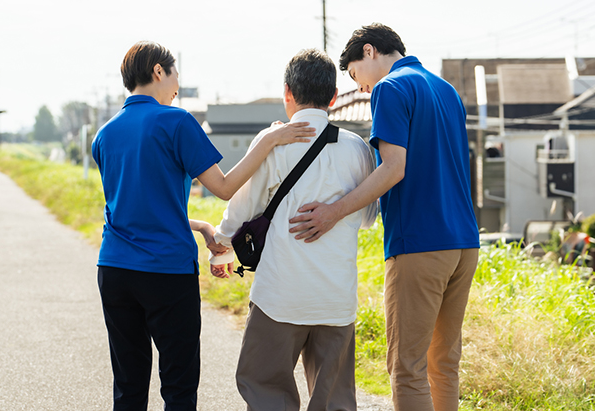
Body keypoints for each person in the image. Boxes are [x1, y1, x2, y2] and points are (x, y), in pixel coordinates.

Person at [91, 41, 315, 411]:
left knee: (128, 385)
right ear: (159, 72)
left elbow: (135, 207)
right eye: (175, 74)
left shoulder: (105, 134)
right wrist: (268, 140)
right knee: (178, 387)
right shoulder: (175, 120)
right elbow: (225, 187)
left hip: (114, 269)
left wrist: (197, 226)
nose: (177, 85)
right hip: (165, 271)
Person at [287, 24, 480, 411]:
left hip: (419, 243)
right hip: (464, 243)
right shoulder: (446, 90)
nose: (361, 88)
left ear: (370, 51)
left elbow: (393, 168)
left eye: (356, 74)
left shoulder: (391, 88)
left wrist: (333, 211)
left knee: (406, 368)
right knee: (444, 363)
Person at [209, 48, 377, 411]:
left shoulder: (273, 142)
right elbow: (366, 217)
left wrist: (221, 247)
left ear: (287, 92)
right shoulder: (358, 149)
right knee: (335, 401)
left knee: (266, 389)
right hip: (335, 299)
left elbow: (240, 209)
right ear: (333, 97)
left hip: (279, 296)